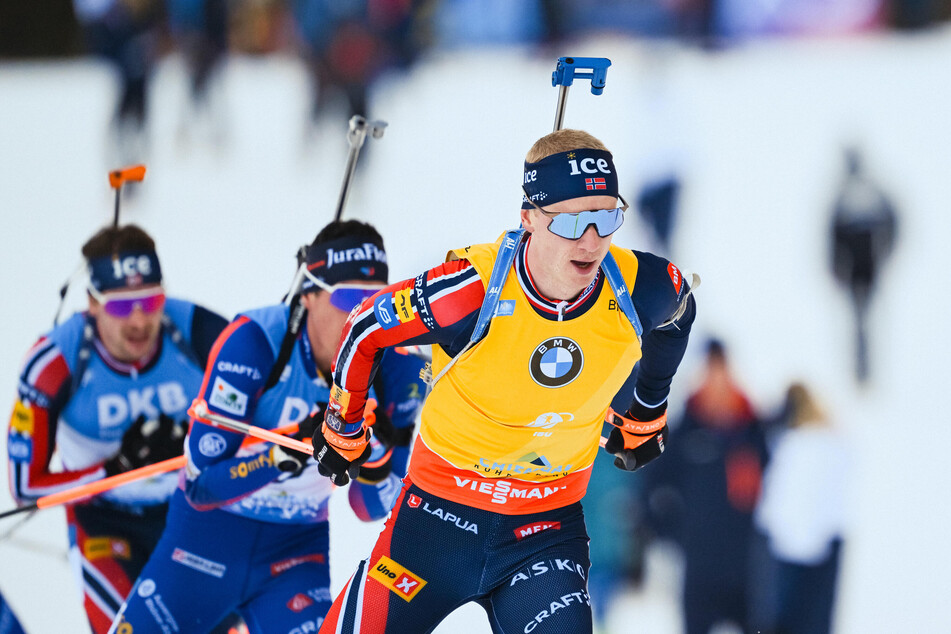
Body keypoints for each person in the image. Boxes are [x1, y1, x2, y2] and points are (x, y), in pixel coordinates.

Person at [312, 128, 697, 633]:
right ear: (529, 217)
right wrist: (344, 423)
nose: (592, 241)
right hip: (436, 523)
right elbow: (365, 325)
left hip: (543, 531)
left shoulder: (637, 285)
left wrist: (648, 409)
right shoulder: (472, 291)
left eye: (606, 218)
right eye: (572, 220)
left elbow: (679, 312)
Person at [109, 220, 428, 633]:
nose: (363, 321)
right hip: (201, 547)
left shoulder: (402, 366)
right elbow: (203, 486)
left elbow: (370, 507)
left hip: (294, 559)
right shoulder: (254, 342)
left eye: (377, 303)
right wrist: (289, 447)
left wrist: (377, 455)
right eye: (349, 300)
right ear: (309, 295)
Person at [6, 224, 229, 633]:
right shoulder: (54, 361)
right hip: (103, 523)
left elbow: (263, 404)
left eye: (151, 300)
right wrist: (113, 470)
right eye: (122, 307)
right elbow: (25, 485)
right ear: (92, 303)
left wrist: (204, 444)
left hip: (188, 512)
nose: (141, 320)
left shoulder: (194, 329)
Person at [642, 338, 767, 634]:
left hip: (747, 565)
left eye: (722, 368)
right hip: (700, 567)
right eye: (711, 369)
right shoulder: (687, 427)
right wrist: (670, 532)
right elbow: (652, 485)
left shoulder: (753, 427)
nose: (717, 378)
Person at [754, 383, 850, 634]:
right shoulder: (834, 442)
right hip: (824, 546)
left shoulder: (797, 445)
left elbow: (781, 501)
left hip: (789, 551)